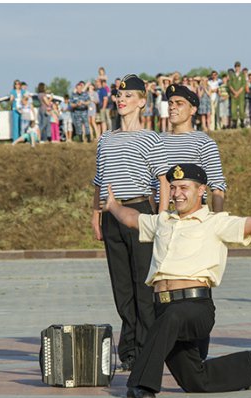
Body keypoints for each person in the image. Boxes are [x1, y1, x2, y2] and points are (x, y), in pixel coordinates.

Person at [104, 163, 251, 398]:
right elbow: (132, 218)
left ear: (201, 190)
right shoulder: (163, 221)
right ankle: (249, 365)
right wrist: (113, 206)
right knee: (195, 380)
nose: (177, 193)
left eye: (184, 187)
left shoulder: (216, 222)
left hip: (195, 308)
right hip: (163, 308)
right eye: (172, 188)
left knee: (170, 319)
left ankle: (141, 383)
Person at [90, 74, 170, 373]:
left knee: (143, 285)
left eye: (128, 96)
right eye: (118, 96)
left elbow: (163, 180)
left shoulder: (151, 137)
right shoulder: (106, 138)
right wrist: (95, 215)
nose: (121, 100)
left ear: (141, 102)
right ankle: (129, 351)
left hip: (139, 212)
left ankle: (147, 348)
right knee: (121, 287)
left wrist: (161, 218)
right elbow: (99, 182)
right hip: (111, 214)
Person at [163, 84, 227, 212]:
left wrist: (217, 222)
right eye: (170, 103)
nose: (172, 107)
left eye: (179, 103)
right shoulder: (156, 141)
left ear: (192, 110)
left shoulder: (204, 142)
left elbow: (217, 187)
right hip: (161, 215)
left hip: (192, 214)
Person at [228, 61, 247, 128]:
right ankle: (234, 123)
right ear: (235, 67)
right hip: (233, 95)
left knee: (241, 109)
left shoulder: (242, 75)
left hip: (241, 95)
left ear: (240, 67)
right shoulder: (232, 75)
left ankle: (242, 122)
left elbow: (243, 85)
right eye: (236, 66)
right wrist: (234, 92)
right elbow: (229, 84)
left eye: (238, 66)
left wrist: (238, 92)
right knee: (233, 109)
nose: (237, 68)